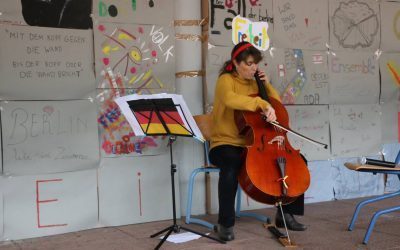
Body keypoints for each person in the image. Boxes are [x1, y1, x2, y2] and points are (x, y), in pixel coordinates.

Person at [209, 41, 307, 242]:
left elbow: (277, 106)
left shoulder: (256, 81)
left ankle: (285, 215)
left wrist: (267, 85)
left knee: (298, 162)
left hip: (256, 143)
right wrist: (259, 103)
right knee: (231, 165)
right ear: (236, 62)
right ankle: (225, 224)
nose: (254, 68)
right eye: (249, 63)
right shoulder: (225, 80)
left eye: (256, 64)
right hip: (225, 143)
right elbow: (230, 99)